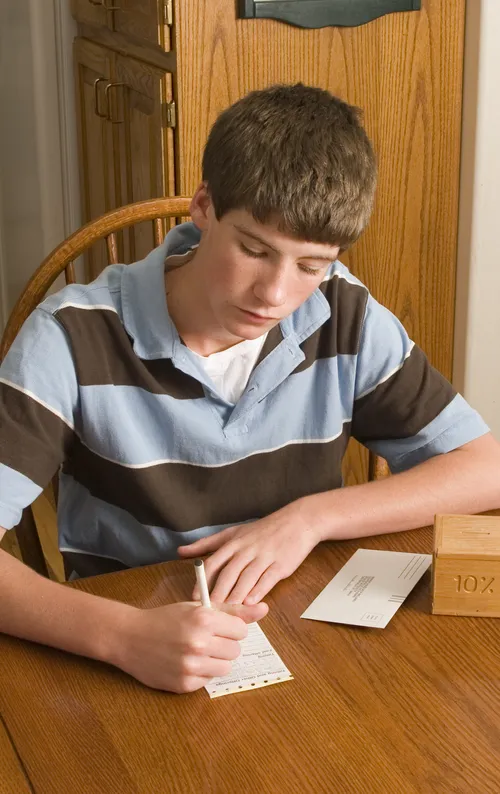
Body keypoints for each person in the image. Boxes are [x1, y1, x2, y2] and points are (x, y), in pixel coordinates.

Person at [1, 84, 499, 693]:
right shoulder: (71, 335)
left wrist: (309, 519)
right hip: (129, 649)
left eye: (312, 266)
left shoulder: (346, 314)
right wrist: (121, 635)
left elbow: (483, 467)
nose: (275, 294)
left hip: (305, 638)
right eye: (253, 249)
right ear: (204, 206)